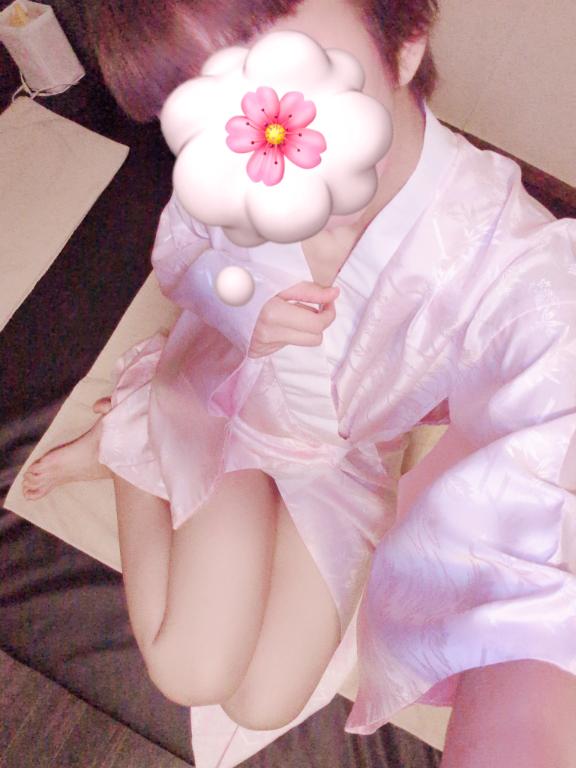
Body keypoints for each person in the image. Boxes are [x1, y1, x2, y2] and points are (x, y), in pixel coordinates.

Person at [22, 1, 576, 767]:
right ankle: (129, 438)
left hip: (338, 458)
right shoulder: (236, 161)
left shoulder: (503, 251)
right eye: (198, 90)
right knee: (188, 669)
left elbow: (552, 401)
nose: (250, 111)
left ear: (404, 42)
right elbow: (182, 252)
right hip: (226, 408)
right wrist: (243, 304)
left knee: (265, 702)